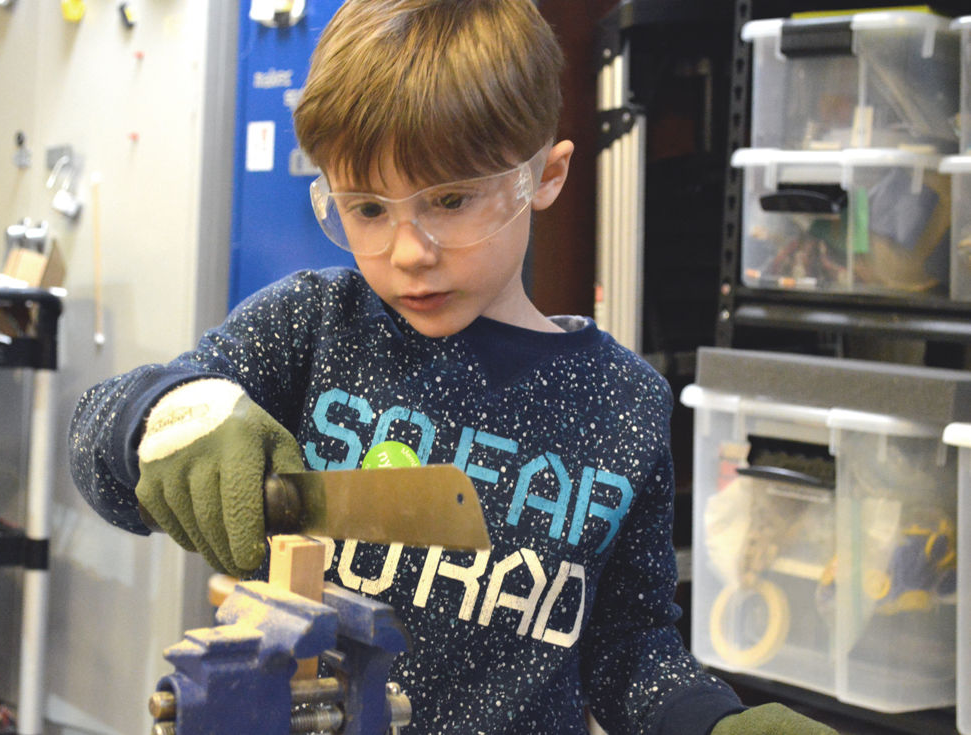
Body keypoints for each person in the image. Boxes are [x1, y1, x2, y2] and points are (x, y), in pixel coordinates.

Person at [69, 1, 838, 733]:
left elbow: (631, 652)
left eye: (450, 200)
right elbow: (98, 448)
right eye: (368, 209)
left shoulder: (624, 404)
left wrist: (714, 721)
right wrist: (170, 417)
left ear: (546, 175)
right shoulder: (310, 328)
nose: (410, 251)